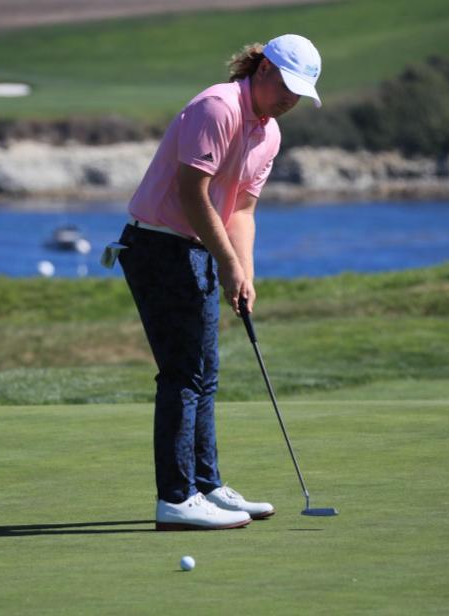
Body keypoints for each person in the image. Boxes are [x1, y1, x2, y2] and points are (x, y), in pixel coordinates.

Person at [117, 34, 322, 531]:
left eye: (300, 93)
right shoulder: (218, 106)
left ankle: (206, 485)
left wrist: (243, 271)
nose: (290, 100)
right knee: (183, 374)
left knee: (204, 374)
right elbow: (192, 193)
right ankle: (176, 497)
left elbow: (243, 209)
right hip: (159, 245)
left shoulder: (268, 132)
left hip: (198, 248)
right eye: (286, 87)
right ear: (264, 68)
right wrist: (226, 262)